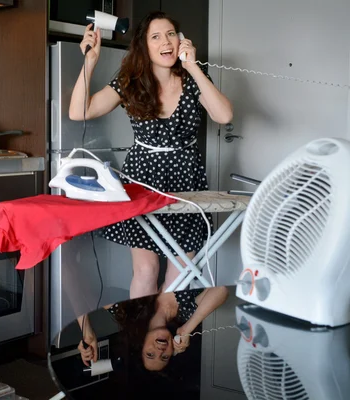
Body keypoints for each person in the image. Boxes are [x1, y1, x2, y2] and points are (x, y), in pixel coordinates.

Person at [69, 11, 233, 297]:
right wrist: (90, 61)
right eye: (156, 36)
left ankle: (164, 337)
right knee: (146, 272)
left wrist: (193, 67)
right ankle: (141, 338)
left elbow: (224, 115)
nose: (166, 41)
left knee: (179, 275)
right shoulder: (130, 81)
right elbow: (78, 111)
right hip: (142, 179)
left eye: (171, 34)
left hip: (187, 181)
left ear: (181, 40)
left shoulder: (194, 78)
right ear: (144, 46)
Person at [77, 286, 229, 371]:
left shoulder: (128, 311)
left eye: (150, 354)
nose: (160, 351)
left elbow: (80, 286)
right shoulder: (185, 313)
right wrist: (187, 329)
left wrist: (87, 333)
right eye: (165, 357)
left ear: (141, 345)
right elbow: (221, 290)